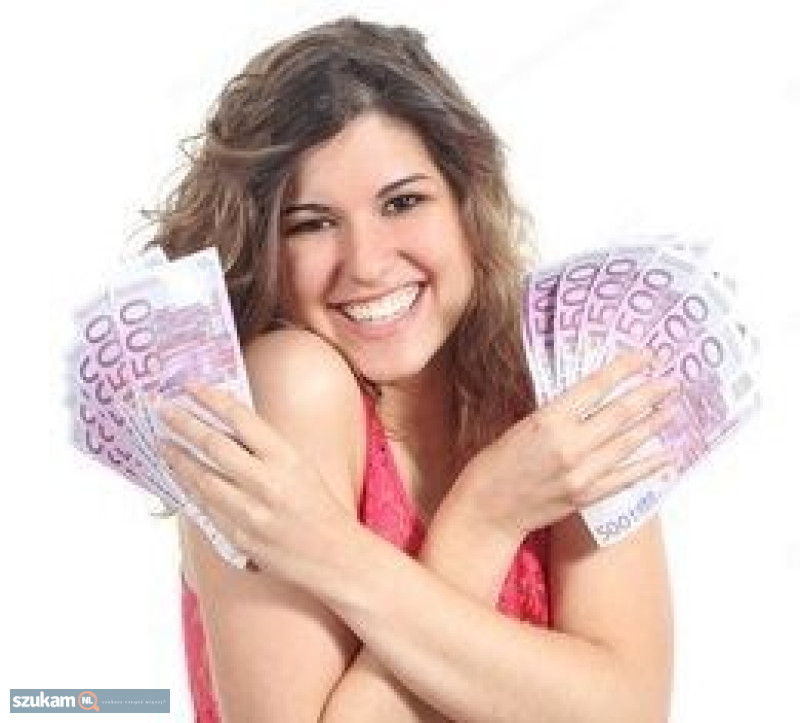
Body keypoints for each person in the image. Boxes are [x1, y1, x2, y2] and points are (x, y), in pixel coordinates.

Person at [150, 17, 676, 722]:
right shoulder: (290, 390)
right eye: (312, 222)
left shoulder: (561, 374)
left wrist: (329, 550)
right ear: (265, 248)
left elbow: (631, 709)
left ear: (466, 203)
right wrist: (487, 518)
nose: (367, 264)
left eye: (403, 202)